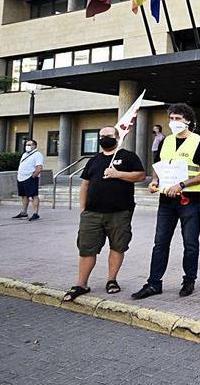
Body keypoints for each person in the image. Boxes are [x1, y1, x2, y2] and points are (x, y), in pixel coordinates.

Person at [132, 103, 200, 300]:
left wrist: (183, 184)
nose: (174, 123)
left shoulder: (198, 142)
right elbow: (158, 166)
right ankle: (153, 283)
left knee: (190, 243)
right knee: (160, 243)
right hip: (166, 200)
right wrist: (154, 181)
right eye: (171, 119)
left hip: (190, 200)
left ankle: (189, 281)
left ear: (188, 121)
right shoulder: (165, 141)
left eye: (178, 119)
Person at [62, 127, 145, 301]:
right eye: (101, 136)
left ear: (117, 138)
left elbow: (140, 176)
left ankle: (111, 280)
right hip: (92, 214)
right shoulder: (94, 160)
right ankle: (81, 284)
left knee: (117, 246)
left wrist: (118, 174)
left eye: (108, 136)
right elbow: (85, 184)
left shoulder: (128, 156)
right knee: (86, 249)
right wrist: (83, 208)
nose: (104, 138)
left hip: (119, 212)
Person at [14, 138, 43, 221]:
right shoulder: (25, 154)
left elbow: (39, 168)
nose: (27, 146)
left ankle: (35, 213)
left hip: (30, 178)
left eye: (30, 145)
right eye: (27, 145)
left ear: (35, 146)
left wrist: (33, 176)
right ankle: (23, 212)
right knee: (24, 195)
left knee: (34, 195)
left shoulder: (37, 155)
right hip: (21, 177)